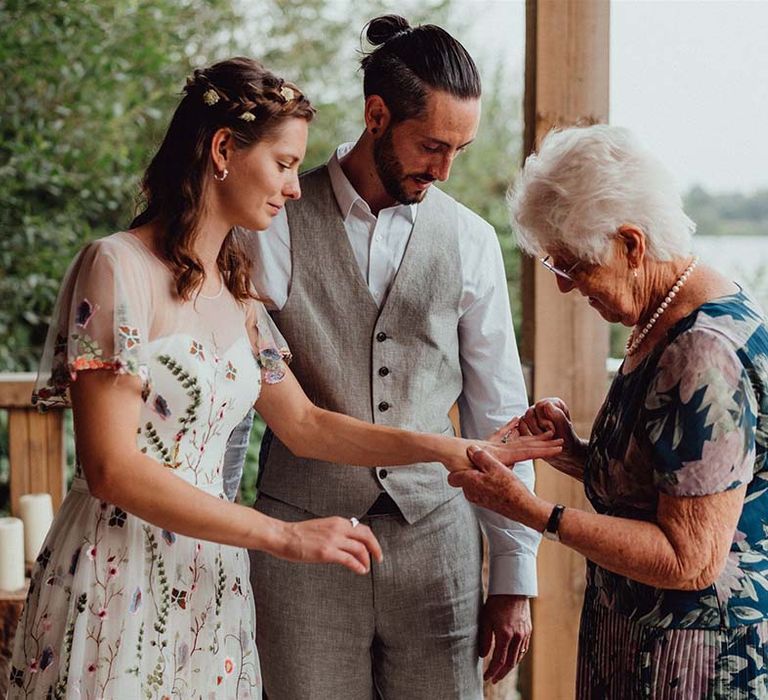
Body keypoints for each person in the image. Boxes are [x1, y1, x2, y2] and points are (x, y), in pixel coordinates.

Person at [6, 58, 560, 699]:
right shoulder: (116, 266)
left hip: (211, 578)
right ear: (222, 150)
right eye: (285, 164)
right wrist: (281, 535)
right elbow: (110, 469)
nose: (297, 188)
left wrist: (454, 449)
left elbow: (306, 424)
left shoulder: (237, 292)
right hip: (118, 571)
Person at [224, 14, 540, 699]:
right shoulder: (271, 223)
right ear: (376, 115)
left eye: (461, 148)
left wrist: (515, 575)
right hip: (301, 542)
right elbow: (235, 395)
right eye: (431, 144)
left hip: (438, 550)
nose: (446, 168)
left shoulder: (473, 240)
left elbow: (498, 408)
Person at [450, 123, 768, 698]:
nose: (568, 286)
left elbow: (689, 559)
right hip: (638, 636)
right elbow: (667, 484)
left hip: (690, 659)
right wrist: (572, 452)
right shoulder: (663, 315)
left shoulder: (703, 355)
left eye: (573, 265)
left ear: (631, 243)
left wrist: (531, 510)